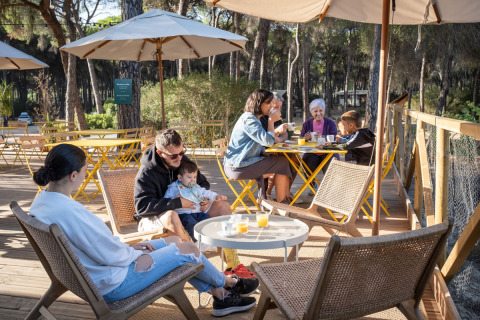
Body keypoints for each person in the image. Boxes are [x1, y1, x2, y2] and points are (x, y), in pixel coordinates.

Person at [29, 144, 258, 317]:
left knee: (174, 243)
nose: (84, 177)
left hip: (93, 273)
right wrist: (135, 253)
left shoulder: (42, 203)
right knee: (187, 249)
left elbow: (99, 248)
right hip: (113, 283)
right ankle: (226, 285)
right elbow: (109, 254)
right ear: (73, 175)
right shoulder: (71, 212)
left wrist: (131, 246)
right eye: (85, 172)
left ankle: (220, 295)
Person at [134, 129, 254, 278]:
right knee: (172, 216)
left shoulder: (180, 160)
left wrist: (203, 200)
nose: (179, 159)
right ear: (160, 153)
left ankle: (233, 265)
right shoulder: (146, 173)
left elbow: (203, 183)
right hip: (154, 216)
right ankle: (197, 266)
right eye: (173, 156)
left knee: (223, 206)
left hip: (188, 209)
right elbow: (142, 207)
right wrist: (177, 202)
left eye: (181, 152)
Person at [224, 89, 295, 203]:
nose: (271, 106)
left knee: (283, 161)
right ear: (258, 103)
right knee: (282, 163)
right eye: (268, 103)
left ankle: (284, 201)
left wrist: (263, 151)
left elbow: (256, 144)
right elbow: (268, 141)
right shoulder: (249, 119)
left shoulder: (253, 118)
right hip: (237, 167)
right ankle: (282, 203)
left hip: (243, 163)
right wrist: (271, 121)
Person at [164, 159, 227, 242]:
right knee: (191, 224)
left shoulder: (196, 187)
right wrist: (174, 200)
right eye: (189, 177)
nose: (192, 180)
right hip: (183, 214)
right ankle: (196, 241)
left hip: (198, 212)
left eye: (194, 177)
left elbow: (205, 192)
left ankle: (210, 238)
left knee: (207, 220)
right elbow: (165, 200)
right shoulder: (174, 188)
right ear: (180, 177)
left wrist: (216, 196)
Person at [259, 92, 297, 200]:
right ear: (269, 105)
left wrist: (280, 138)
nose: (278, 110)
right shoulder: (261, 119)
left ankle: (285, 193)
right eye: (276, 107)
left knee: (295, 161)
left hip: (275, 150)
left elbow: (284, 134)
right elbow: (265, 140)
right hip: (262, 153)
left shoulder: (276, 117)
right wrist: (276, 133)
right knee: (284, 162)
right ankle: (271, 193)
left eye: (280, 107)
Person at [300, 99, 338, 195]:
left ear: (324, 111)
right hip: (312, 152)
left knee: (332, 163)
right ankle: (313, 186)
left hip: (328, 152)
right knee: (306, 161)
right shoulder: (307, 124)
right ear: (311, 112)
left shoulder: (331, 123)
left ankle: (331, 190)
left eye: (320, 110)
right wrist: (306, 138)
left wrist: (322, 137)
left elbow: (334, 139)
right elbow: (301, 139)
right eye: (315, 111)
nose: (318, 113)